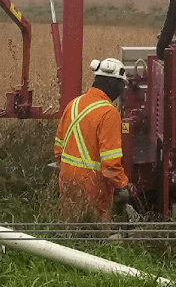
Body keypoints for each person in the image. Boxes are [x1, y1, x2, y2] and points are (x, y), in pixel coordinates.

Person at [54, 57, 132, 220]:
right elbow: (110, 164)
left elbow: (58, 148)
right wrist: (122, 186)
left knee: (71, 230)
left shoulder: (73, 104)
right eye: (121, 86)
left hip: (67, 181)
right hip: (92, 187)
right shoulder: (109, 113)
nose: (121, 91)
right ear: (113, 84)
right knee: (96, 235)